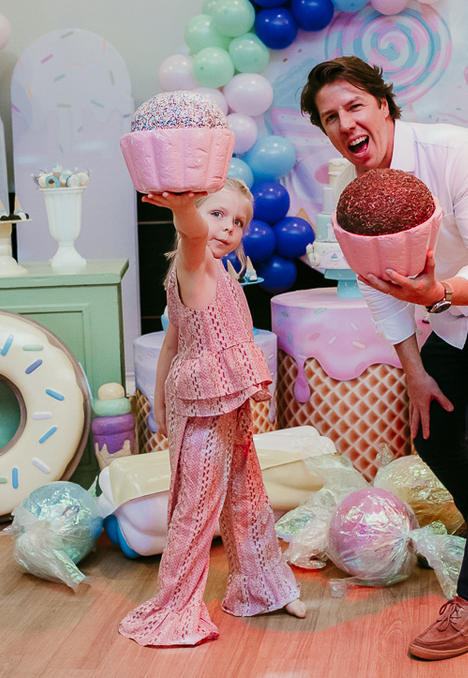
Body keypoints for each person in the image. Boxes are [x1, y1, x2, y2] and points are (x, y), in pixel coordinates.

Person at [301, 56, 468, 661]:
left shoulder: (457, 151)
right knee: (432, 432)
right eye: (330, 118)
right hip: (453, 310)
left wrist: (437, 294)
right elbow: (380, 292)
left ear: (383, 106)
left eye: (354, 107)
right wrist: (416, 373)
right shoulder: (356, 198)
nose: (345, 125)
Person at [119, 178, 306, 647]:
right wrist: (184, 208)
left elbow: (172, 339)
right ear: (197, 215)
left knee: (247, 494)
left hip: (228, 400)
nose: (227, 228)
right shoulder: (194, 260)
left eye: (239, 221)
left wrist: (159, 399)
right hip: (202, 400)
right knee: (196, 507)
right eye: (217, 214)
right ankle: (176, 606)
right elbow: (193, 233)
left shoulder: (221, 273)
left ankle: (264, 587)